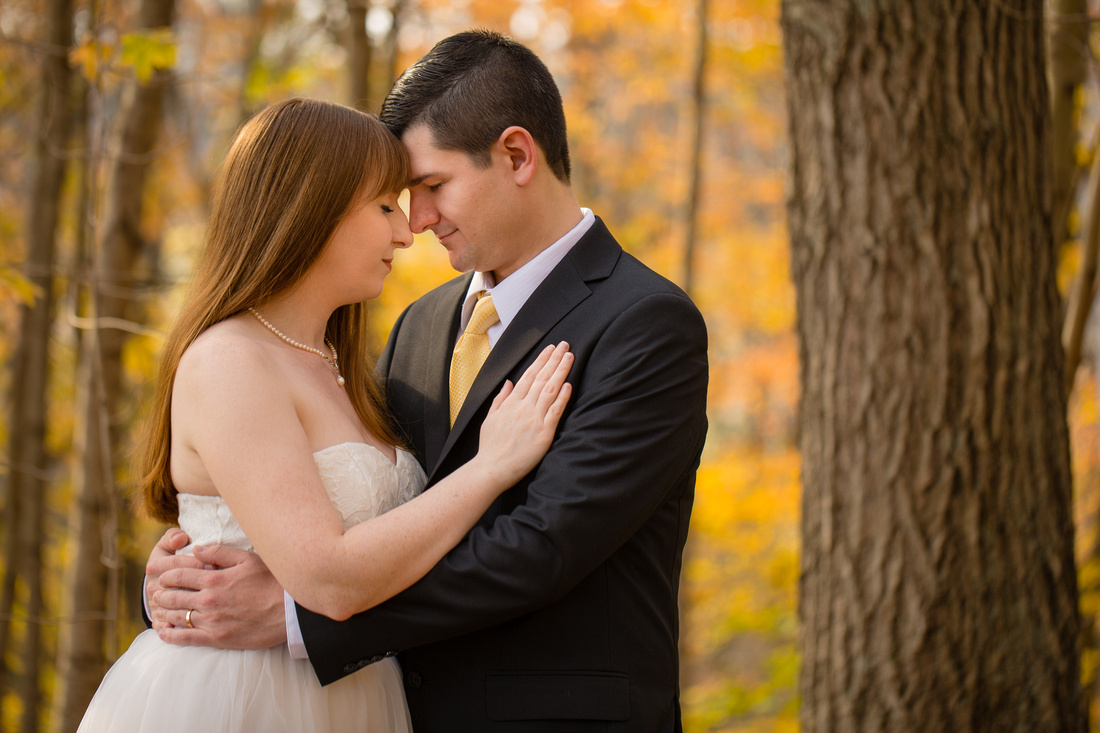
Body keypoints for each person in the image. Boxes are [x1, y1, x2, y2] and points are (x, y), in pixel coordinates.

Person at [148, 30, 709, 731]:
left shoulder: (645, 322)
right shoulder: (421, 324)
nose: (415, 221)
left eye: (431, 186)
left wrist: (297, 616)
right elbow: (347, 510)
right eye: (398, 198)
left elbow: (542, 545)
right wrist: (197, 575)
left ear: (515, 155)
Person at [76, 97, 574, 732]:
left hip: (355, 693)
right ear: (312, 205)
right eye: (386, 206)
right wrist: (492, 466)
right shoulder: (229, 359)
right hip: (243, 702)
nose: (406, 230)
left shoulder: (348, 369)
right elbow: (328, 576)